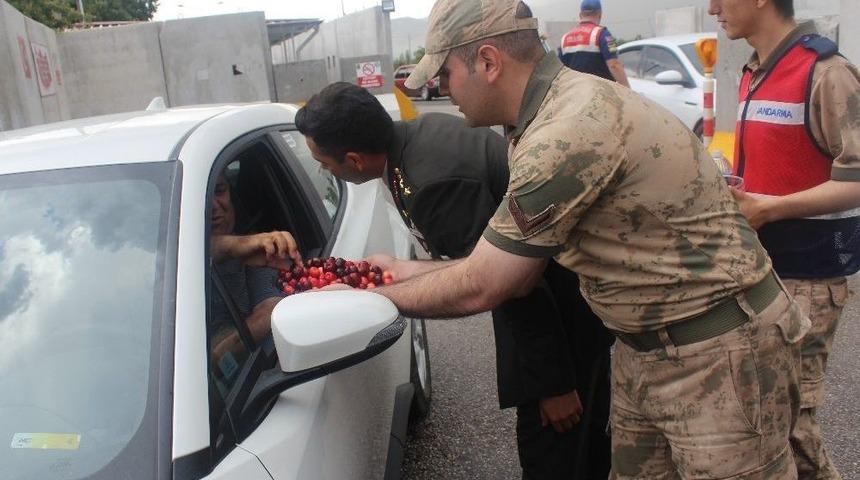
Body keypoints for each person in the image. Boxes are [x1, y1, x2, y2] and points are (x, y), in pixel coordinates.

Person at [360, 0, 811, 477]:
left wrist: (375, 297)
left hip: (717, 351)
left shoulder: (565, 132)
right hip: (648, 348)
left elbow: (488, 283)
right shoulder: (545, 113)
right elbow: (515, 260)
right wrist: (408, 271)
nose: (442, 89)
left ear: (489, 63)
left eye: (445, 73)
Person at [295, 82, 613, 479]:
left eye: (325, 164)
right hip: (557, 300)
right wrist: (401, 268)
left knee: (555, 456)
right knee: (587, 451)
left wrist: (555, 385)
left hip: (561, 318)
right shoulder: (415, 138)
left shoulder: (433, 183)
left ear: (354, 160)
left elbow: (511, 285)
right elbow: (475, 261)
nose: (326, 171)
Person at [709, 0, 860, 478]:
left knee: (790, 425)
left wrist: (769, 208)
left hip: (809, 276)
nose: (712, 7)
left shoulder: (826, 72)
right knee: (762, 418)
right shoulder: (753, 71)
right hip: (762, 271)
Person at [208, 171, 301, 362]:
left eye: (219, 191)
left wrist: (215, 359)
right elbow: (194, 246)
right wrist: (233, 247)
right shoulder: (159, 265)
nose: (213, 206)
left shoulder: (256, 253)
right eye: (200, 198)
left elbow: (271, 309)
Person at [558, 0, 629, 86]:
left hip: (574, 93)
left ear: (580, 15)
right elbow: (614, 65)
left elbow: (560, 71)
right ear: (600, 14)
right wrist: (627, 90)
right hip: (599, 94)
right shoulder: (604, 35)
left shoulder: (565, 38)